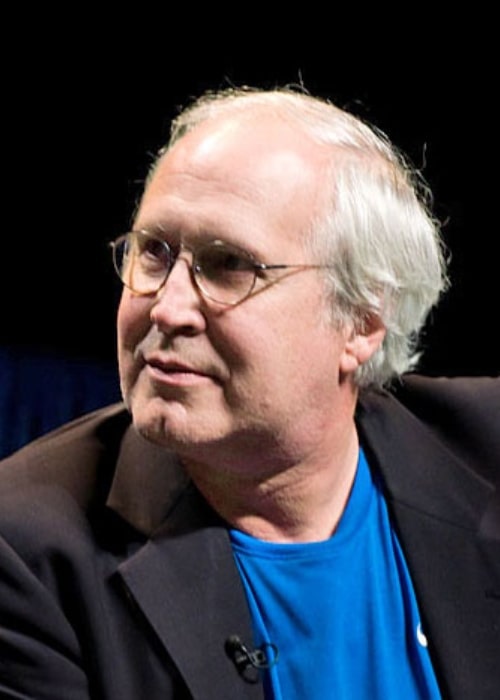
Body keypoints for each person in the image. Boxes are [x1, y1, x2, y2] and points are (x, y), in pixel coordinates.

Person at [0, 85, 498, 700]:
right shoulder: (29, 553)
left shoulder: (488, 446)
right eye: (154, 253)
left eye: (228, 264)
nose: (169, 307)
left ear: (362, 322)